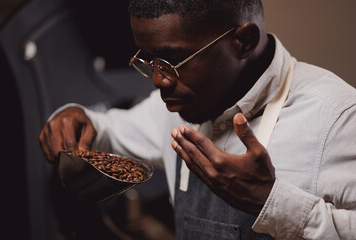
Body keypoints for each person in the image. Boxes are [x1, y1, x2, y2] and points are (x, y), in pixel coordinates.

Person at [39, 0, 356, 239]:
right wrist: (79, 118)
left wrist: (271, 202)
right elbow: (110, 131)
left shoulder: (337, 117)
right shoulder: (180, 104)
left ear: (243, 42)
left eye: (174, 61)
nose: (158, 82)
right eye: (149, 59)